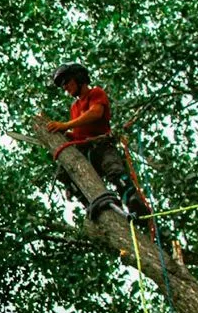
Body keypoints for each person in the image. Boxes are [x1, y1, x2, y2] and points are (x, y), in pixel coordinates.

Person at [47, 62, 150, 223]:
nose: (65, 87)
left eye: (67, 82)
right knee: (69, 174)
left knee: (114, 170)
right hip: (86, 151)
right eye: (62, 85)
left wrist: (66, 125)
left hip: (101, 146)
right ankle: (94, 207)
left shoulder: (95, 93)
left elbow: (95, 113)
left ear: (79, 78)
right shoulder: (75, 107)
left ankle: (134, 204)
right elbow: (80, 132)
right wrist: (68, 134)